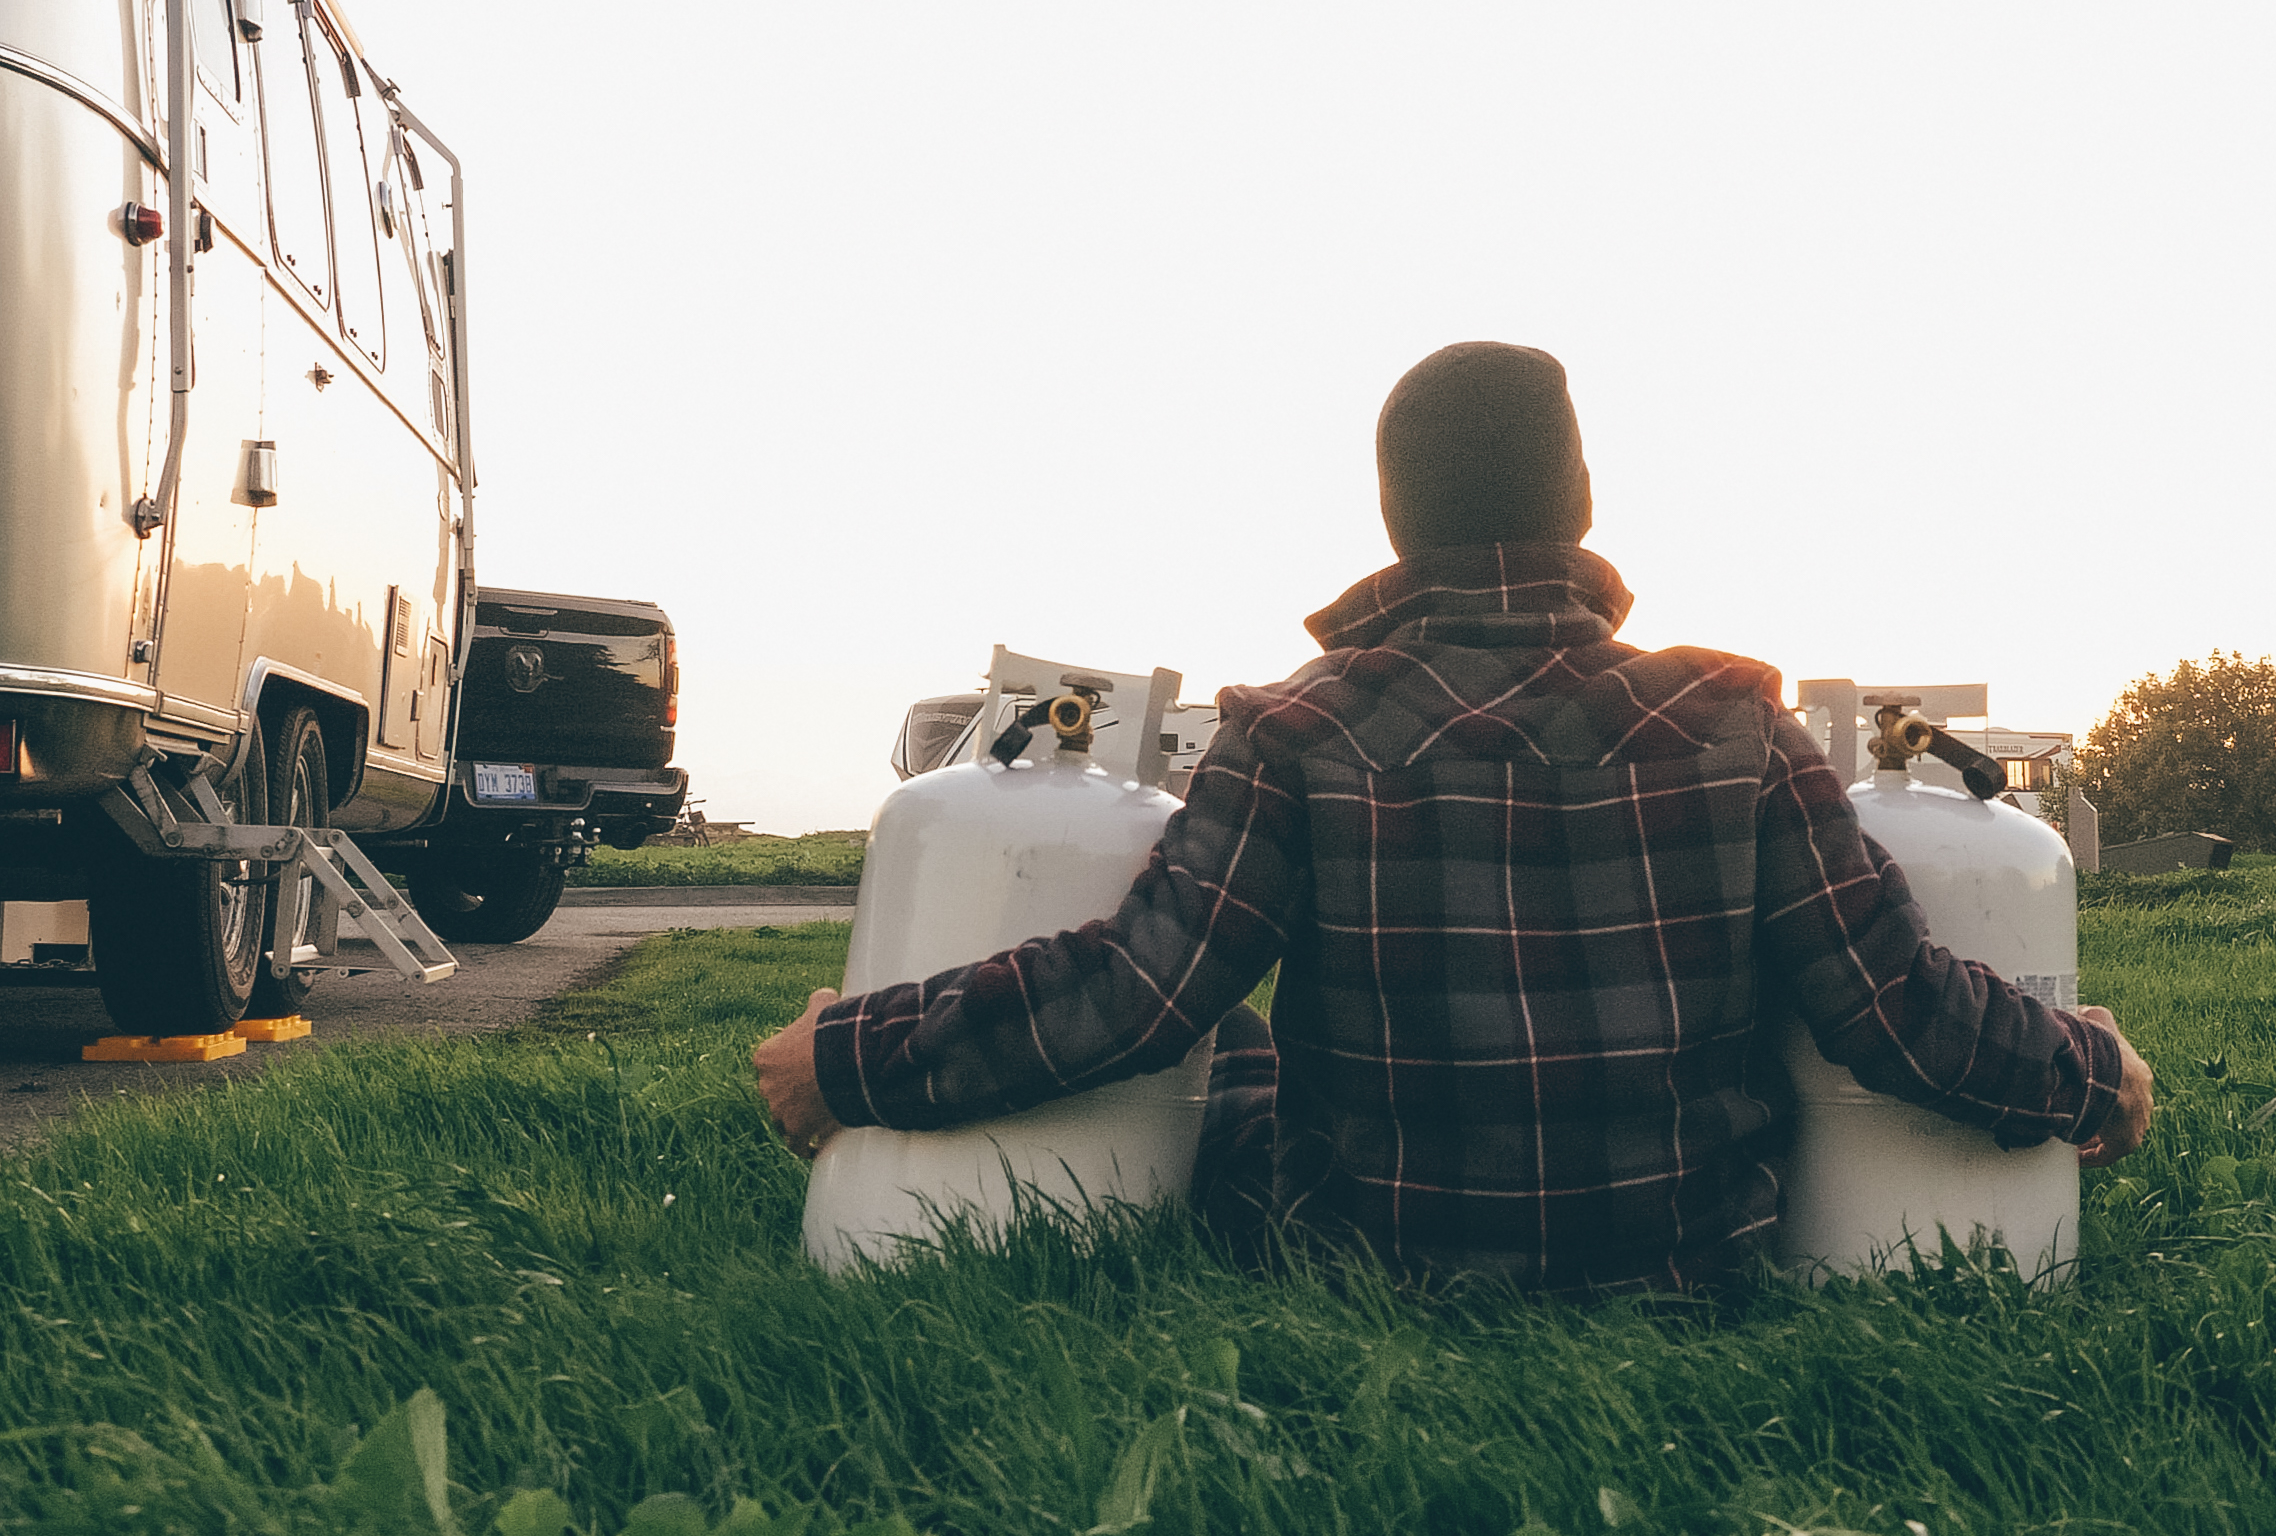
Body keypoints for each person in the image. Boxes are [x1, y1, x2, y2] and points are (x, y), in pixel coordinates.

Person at [755, 341, 2151, 1290]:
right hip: (1684, 1259)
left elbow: (1131, 995)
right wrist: (2090, 1071)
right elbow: (1891, 1007)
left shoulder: (1298, 727)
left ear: (1390, 518)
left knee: (1225, 1045)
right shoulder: (1736, 722)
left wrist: (851, 1056)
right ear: (1585, 503)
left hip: (1373, 1253)